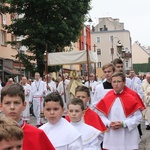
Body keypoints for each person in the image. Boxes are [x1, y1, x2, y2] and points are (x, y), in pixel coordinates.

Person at [96, 72, 143, 150]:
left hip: (128, 136)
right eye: (114, 82)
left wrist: (124, 124)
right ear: (111, 83)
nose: (116, 84)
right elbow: (100, 115)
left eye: (119, 81)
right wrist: (108, 123)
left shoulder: (131, 97)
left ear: (124, 82)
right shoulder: (107, 96)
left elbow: (138, 117)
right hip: (111, 136)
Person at [0, 83, 55, 150]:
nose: (12, 107)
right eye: (7, 103)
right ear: (1, 106)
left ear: (24, 105)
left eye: (16, 103)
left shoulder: (37, 134)